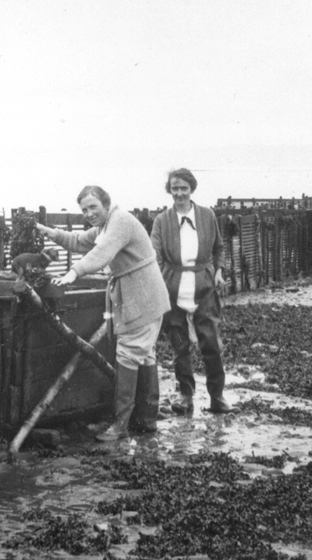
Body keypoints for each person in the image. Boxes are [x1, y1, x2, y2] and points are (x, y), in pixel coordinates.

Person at [35, 185, 171, 441]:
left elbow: (101, 252)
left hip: (143, 296)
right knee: (144, 353)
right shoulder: (105, 225)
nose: (88, 213)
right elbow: (79, 241)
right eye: (84, 209)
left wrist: (74, 272)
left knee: (129, 352)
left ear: (106, 204)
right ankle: (147, 420)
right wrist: (48, 232)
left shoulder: (119, 222)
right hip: (142, 295)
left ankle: (121, 424)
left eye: (93, 207)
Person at [150, 168, 234, 415]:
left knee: (211, 344)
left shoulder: (207, 216)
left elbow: (219, 249)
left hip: (204, 287)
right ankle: (185, 394)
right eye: (174, 188)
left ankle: (217, 396)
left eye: (183, 188)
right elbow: (153, 254)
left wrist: (219, 271)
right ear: (170, 191)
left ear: (191, 189)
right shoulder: (161, 221)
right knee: (179, 345)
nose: (179, 193)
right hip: (173, 289)